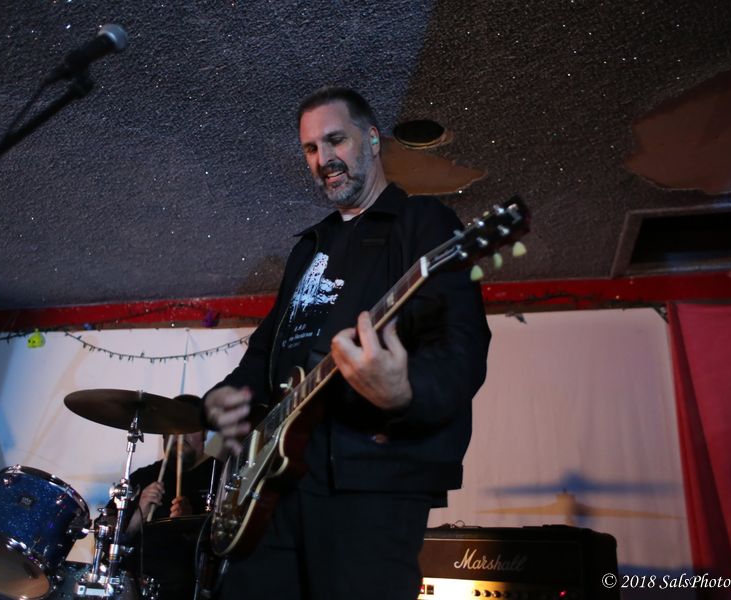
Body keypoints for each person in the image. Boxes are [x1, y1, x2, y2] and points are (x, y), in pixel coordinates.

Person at [202, 86, 491, 600]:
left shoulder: (423, 223)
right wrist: (227, 395)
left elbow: (463, 345)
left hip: (369, 482)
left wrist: (404, 393)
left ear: (373, 139)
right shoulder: (310, 248)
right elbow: (268, 350)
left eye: (336, 140)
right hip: (277, 481)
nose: (324, 159)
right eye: (311, 148)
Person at [108, 428, 218, 599]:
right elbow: (106, 538)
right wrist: (138, 516)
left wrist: (190, 524)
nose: (181, 435)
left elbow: (226, 546)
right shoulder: (143, 477)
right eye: (173, 427)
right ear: (164, 435)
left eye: (190, 427)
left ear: (204, 434)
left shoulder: (219, 475)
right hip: (131, 586)